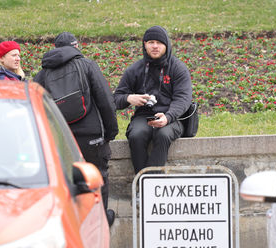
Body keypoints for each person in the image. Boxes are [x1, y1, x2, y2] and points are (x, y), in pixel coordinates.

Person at [33, 32, 119, 226]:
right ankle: (100, 224)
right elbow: (106, 101)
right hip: (92, 137)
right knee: (97, 177)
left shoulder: (43, 74)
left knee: (65, 183)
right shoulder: (87, 65)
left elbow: (36, 106)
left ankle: (73, 227)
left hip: (61, 139)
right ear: (76, 46)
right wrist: (110, 132)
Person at [114, 25, 192, 174]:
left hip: (172, 117)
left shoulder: (178, 68)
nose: (155, 46)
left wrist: (168, 117)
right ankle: (144, 183)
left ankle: (150, 185)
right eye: (150, 42)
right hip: (144, 116)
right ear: (145, 45)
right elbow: (115, 99)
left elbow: (183, 98)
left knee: (162, 134)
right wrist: (129, 98)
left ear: (166, 45)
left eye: (159, 42)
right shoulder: (135, 69)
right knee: (136, 135)